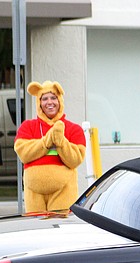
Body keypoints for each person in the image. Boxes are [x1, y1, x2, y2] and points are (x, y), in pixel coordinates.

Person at [14, 81, 86, 213]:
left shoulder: (74, 129)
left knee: (60, 224)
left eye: (53, 98)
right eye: (44, 98)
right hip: (34, 192)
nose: (49, 102)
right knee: (36, 224)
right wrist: (47, 142)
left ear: (60, 100)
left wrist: (60, 141)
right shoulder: (27, 126)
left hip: (63, 190)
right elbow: (23, 154)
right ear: (39, 102)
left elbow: (75, 160)